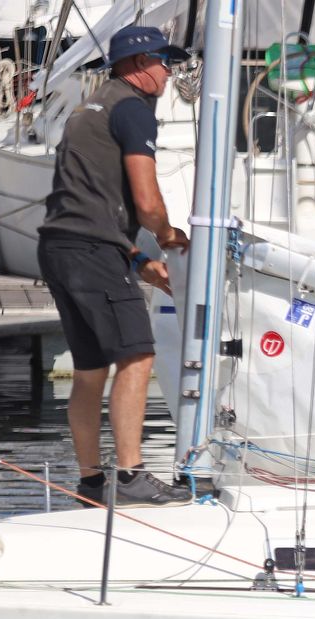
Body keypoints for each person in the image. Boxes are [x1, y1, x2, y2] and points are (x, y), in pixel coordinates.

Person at [38, 25, 192, 506]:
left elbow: (88, 202)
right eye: (164, 61)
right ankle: (130, 476)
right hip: (91, 252)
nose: (169, 72)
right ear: (139, 64)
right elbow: (146, 201)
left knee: (90, 369)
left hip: (60, 247)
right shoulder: (132, 110)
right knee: (137, 356)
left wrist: (138, 259)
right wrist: (167, 237)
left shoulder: (90, 107)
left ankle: (90, 484)